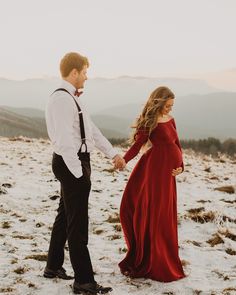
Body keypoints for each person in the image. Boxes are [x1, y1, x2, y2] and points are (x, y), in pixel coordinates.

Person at [44, 52, 125, 294]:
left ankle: (53, 266)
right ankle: (84, 280)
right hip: (71, 163)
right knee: (77, 223)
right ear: (74, 72)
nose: (87, 78)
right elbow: (65, 141)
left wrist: (112, 153)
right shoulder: (61, 99)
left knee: (65, 214)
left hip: (76, 162)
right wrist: (79, 174)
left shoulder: (72, 98)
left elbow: (89, 130)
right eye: (85, 72)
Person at [116, 86, 186, 282]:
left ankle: (166, 258)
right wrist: (124, 159)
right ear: (158, 102)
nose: (169, 109)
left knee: (165, 215)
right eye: (167, 105)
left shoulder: (171, 119)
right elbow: (138, 146)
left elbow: (176, 144)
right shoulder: (150, 122)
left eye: (172, 105)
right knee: (155, 214)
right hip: (154, 172)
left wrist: (181, 166)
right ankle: (153, 260)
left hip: (169, 174)